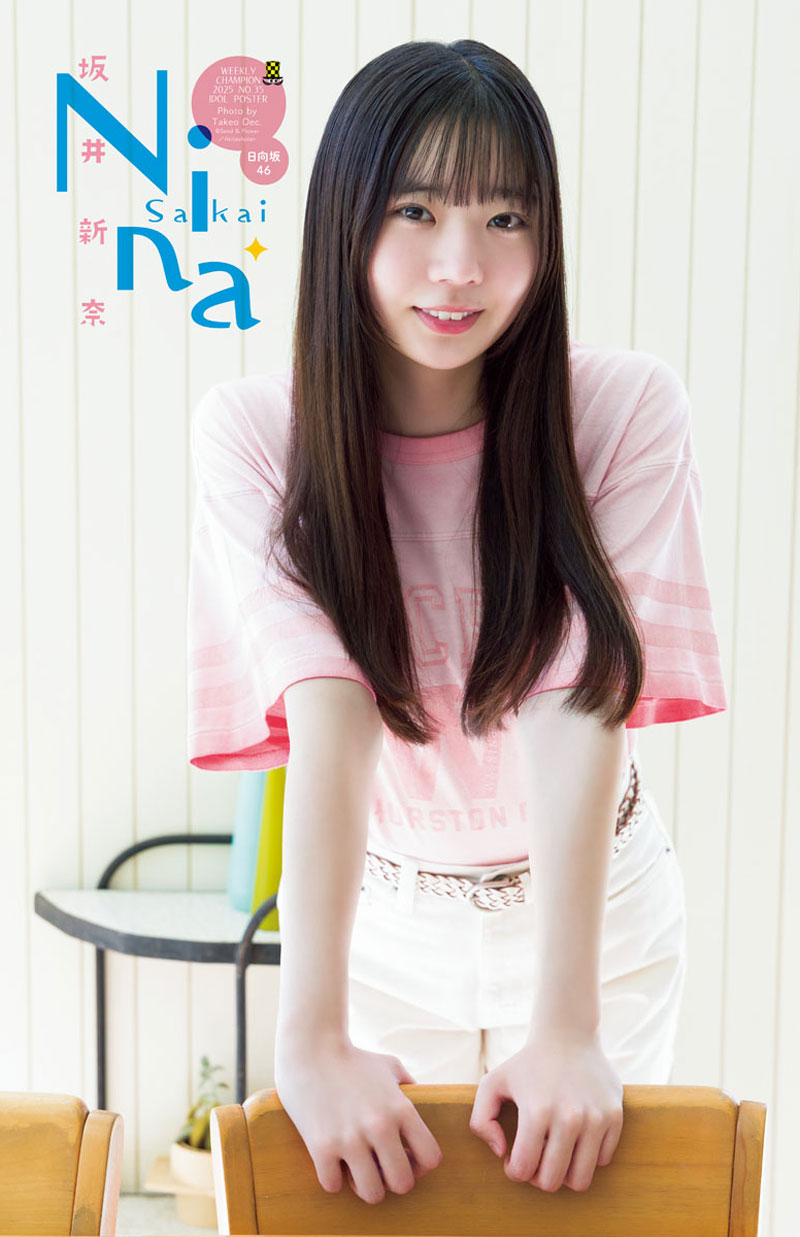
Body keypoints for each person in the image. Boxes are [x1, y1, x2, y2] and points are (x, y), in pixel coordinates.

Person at [186, 39, 727, 1206]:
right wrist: (308, 1037)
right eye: (417, 209)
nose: (459, 265)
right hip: (386, 923)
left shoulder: (621, 411)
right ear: (344, 219)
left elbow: (574, 701)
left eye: (504, 218)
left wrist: (564, 1023)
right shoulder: (255, 435)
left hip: (596, 913)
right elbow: (330, 712)